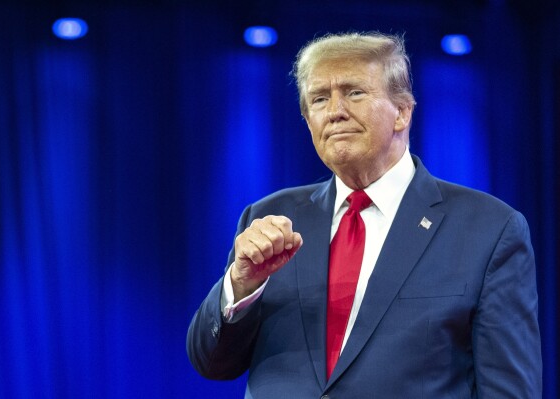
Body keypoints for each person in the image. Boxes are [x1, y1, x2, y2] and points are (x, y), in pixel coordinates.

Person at [186, 31, 542, 398]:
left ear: (402, 112)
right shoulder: (269, 219)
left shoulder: (489, 229)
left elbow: (508, 389)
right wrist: (241, 284)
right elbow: (210, 362)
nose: (336, 111)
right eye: (319, 99)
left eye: (354, 92)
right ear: (309, 122)